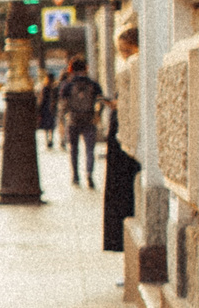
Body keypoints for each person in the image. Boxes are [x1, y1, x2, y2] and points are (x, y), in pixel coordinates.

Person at [104, 25, 142, 254]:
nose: (123, 55)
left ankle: (125, 247)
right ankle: (121, 246)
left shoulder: (137, 66)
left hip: (128, 148)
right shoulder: (130, 67)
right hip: (121, 142)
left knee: (125, 198)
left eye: (126, 50)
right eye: (121, 51)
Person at [60, 54, 104, 188]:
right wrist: (97, 115)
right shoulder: (93, 84)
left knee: (74, 149)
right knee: (90, 149)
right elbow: (100, 100)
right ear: (86, 68)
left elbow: (63, 103)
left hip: (73, 119)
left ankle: (75, 176)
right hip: (89, 119)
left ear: (71, 70)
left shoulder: (67, 85)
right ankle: (89, 174)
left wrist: (63, 120)